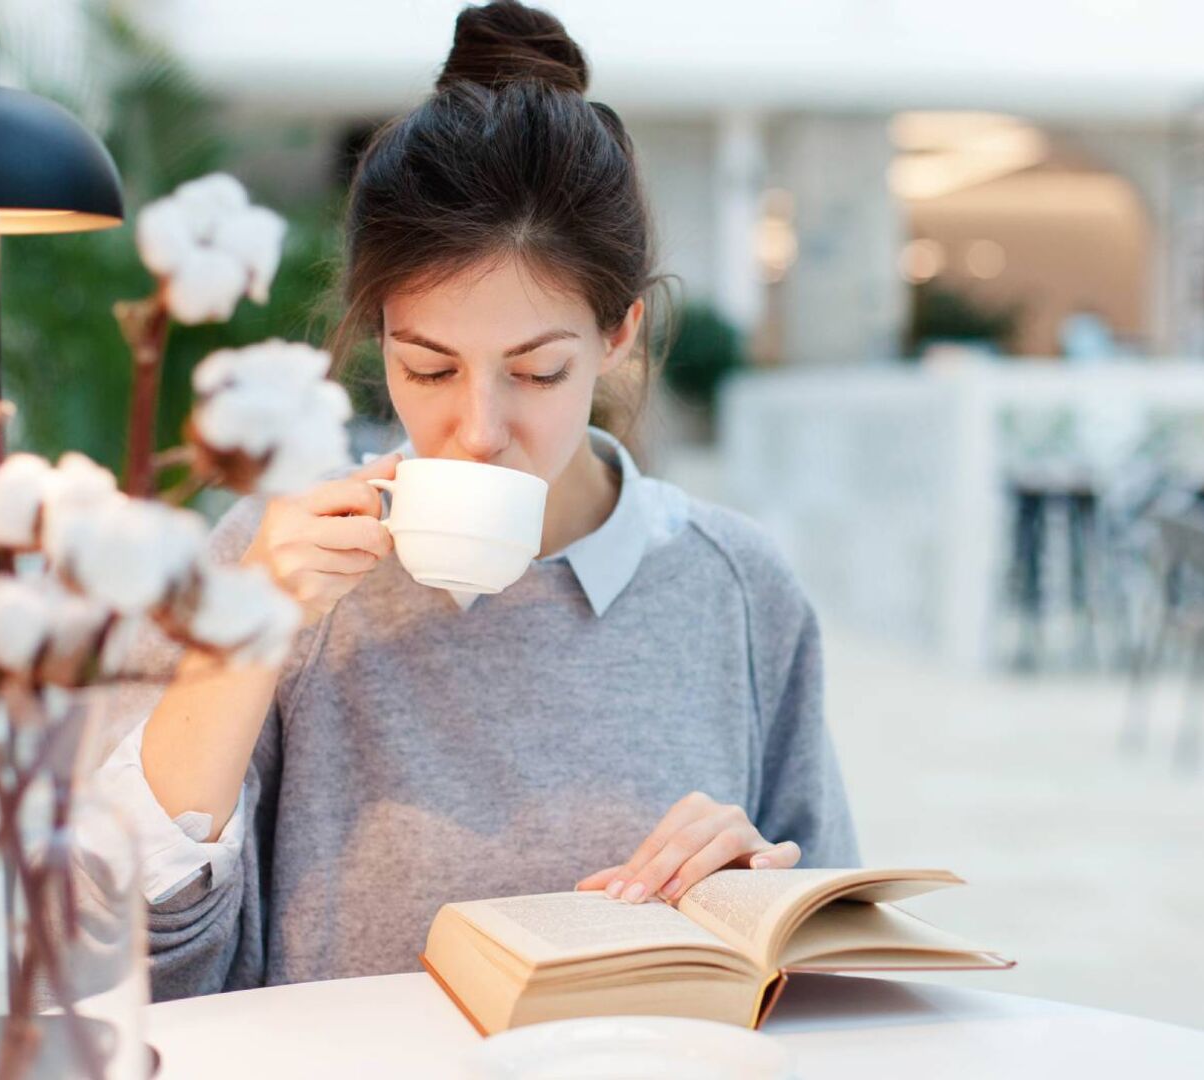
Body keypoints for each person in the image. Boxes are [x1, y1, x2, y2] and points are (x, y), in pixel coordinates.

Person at [100, 0, 858, 1001]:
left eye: (536, 372)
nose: (478, 429)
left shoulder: (735, 587)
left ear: (618, 335)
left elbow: (835, 980)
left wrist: (755, 897)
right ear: (380, 337)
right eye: (428, 368)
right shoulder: (268, 561)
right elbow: (126, 963)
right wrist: (243, 641)